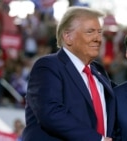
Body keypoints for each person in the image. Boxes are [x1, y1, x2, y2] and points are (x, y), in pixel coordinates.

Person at [22, 6, 116, 141]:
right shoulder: (48, 66)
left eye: (99, 32)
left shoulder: (98, 71)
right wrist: (97, 139)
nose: (98, 38)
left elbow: (121, 99)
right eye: (90, 32)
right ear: (68, 36)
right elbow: (51, 113)